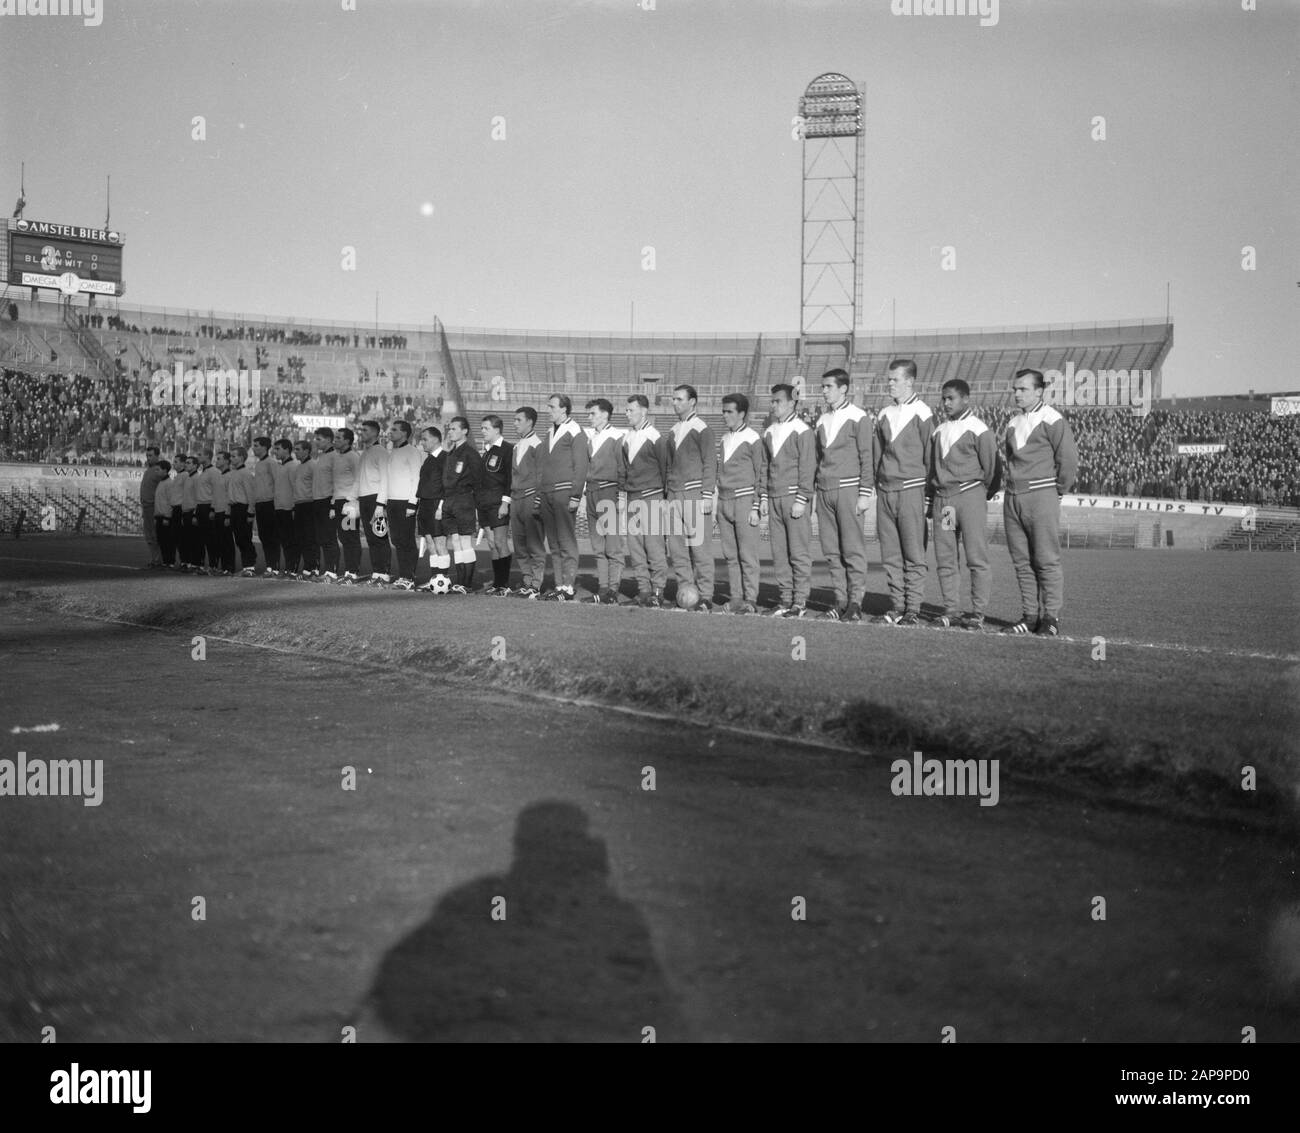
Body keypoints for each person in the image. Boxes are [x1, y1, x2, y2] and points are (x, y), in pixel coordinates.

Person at [1001, 368, 1079, 636]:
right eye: (1015, 389)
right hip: (1013, 497)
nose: (1017, 394)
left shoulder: (1053, 419)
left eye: (1022, 389)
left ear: (1039, 391)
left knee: (1046, 559)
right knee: (1022, 562)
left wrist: (1058, 491)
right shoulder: (1012, 423)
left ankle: (1051, 618)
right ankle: (1030, 615)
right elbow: (1010, 459)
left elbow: (1068, 459)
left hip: (1041, 495)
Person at [928, 379, 998, 630]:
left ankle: (978, 612)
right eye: (943, 398)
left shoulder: (978, 429)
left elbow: (992, 468)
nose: (946, 403)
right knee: (946, 556)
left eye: (951, 398)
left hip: (970, 497)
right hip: (944, 502)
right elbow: (931, 469)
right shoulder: (938, 430)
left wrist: (979, 495)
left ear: (965, 399)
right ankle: (951, 610)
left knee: (976, 557)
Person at [873, 360, 933, 626]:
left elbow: (931, 458)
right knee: (891, 556)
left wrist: (928, 495)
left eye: (895, 380)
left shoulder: (923, 412)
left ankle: (913, 609)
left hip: (911, 490)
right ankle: (897, 606)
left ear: (910, 382)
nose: (890, 384)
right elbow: (878, 453)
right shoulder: (884, 413)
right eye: (889, 379)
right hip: (886, 491)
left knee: (913, 554)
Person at [814, 370, 873, 622]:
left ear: (843, 389)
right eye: (823, 386)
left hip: (849, 489)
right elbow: (819, 459)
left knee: (852, 549)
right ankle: (840, 600)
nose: (824, 390)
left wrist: (864, 493)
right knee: (831, 551)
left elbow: (867, 457)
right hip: (825, 491)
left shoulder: (859, 417)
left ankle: (856, 602)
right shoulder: (821, 420)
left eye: (828, 386)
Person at [761, 384, 816, 618]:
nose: (773, 405)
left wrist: (802, 499)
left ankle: (800, 602)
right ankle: (785, 599)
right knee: (780, 553)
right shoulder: (769, 431)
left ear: (792, 403)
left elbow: (808, 467)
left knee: (798, 553)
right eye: (772, 401)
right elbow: (765, 466)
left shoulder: (803, 430)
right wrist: (764, 496)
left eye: (778, 401)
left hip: (794, 497)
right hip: (774, 497)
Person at [665, 384, 717, 610]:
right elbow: (668, 466)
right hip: (673, 495)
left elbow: (710, 462)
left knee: (700, 547)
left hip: (695, 493)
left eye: (679, 399)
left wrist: (707, 495)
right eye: (673, 399)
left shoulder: (702, 428)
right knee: (676, 549)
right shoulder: (673, 430)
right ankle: (686, 591)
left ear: (692, 401)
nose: (674, 403)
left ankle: (705, 595)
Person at [714, 394, 766, 614]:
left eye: (730, 412)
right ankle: (736, 597)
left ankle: (751, 599)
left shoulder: (753, 438)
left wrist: (756, 505)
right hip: (724, 501)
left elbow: (761, 472)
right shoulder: (725, 438)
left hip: (745, 500)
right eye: (724, 411)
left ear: (742, 414)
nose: (725, 415)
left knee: (747, 555)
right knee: (731, 555)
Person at [620, 394, 670, 608]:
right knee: (636, 548)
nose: (627, 413)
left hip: (652, 498)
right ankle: (643, 590)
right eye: (627, 410)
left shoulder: (655, 436)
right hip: (632, 498)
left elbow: (666, 468)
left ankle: (657, 591)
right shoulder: (626, 437)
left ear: (644, 411)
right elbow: (624, 469)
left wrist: (665, 499)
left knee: (654, 547)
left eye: (631, 410)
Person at [537, 394, 588, 601]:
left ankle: (568, 586)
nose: (548, 410)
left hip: (565, 491)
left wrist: (576, 494)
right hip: (548, 492)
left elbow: (581, 464)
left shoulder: (575, 430)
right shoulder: (549, 432)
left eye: (552, 407)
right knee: (554, 542)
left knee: (566, 540)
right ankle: (559, 584)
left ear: (564, 409)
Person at [583, 399, 624, 603]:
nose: (589, 417)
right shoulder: (590, 438)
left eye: (592, 413)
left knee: (613, 546)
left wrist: (621, 495)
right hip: (591, 493)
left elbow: (623, 468)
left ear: (605, 415)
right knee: (598, 546)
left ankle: (613, 591)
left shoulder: (617, 436)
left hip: (608, 491)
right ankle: (603, 588)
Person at [440, 416, 485, 594]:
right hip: (450, 500)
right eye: (449, 429)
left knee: (465, 541)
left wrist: (473, 501)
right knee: (456, 541)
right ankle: (459, 582)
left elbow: (479, 479)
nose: (450, 431)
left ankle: (466, 583)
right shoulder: (451, 452)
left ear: (464, 431)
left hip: (464, 500)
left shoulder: (471, 453)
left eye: (453, 428)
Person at [378, 420, 423, 590]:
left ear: (404, 433)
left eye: (394, 430)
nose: (390, 432)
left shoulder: (412, 452)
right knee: (396, 540)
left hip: (406, 502)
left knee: (406, 540)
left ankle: (408, 577)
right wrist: (381, 503)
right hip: (392, 502)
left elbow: (416, 479)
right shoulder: (392, 452)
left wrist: (412, 503)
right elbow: (387, 480)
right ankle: (404, 576)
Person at [507, 407, 545, 599]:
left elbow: (541, 475)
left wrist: (538, 500)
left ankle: (536, 585)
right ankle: (527, 582)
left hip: (531, 497)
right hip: (516, 499)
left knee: (534, 544)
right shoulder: (516, 446)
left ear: (529, 422)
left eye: (518, 420)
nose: (515, 423)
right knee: (519, 544)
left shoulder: (538, 445)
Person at [476, 415, 515, 595]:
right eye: (482, 428)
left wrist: (505, 502)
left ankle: (504, 584)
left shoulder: (508, 449)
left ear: (497, 429)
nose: (482, 431)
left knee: (500, 542)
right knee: (491, 543)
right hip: (484, 504)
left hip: (498, 503)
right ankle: (497, 583)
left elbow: (509, 478)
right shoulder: (487, 450)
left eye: (486, 428)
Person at [415, 426, 451, 592]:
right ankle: (434, 581)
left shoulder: (446, 458)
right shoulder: (428, 459)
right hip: (425, 504)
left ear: (436, 439)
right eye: (421, 439)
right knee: (430, 542)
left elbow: (447, 486)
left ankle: (443, 580)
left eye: (425, 439)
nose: (422, 442)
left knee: (440, 542)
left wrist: (441, 507)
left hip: (437, 504)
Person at [357, 419, 391, 584]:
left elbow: (386, 479)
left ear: (374, 433)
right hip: (364, 499)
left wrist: (380, 504)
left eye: (365, 430)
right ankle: (377, 572)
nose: (361, 433)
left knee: (380, 536)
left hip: (376, 499)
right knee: (371, 538)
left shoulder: (381, 452)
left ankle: (384, 573)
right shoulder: (365, 453)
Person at [332, 428, 363, 584]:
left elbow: (359, 479)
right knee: (343, 537)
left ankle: (353, 572)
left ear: (347, 441)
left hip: (349, 504)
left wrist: (350, 500)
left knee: (350, 537)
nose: (335, 440)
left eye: (338, 437)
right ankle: (349, 571)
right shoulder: (337, 457)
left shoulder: (353, 457)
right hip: (338, 502)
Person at [311, 427, 339, 582]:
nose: (316, 442)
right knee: (322, 538)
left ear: (329, 439)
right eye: (316, 439)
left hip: (328, 501)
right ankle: (327, 570)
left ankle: (332, 572)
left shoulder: (335, 456)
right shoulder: (321, 457)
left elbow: (337, 481)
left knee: (329, 538)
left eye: (319, 439)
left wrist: (333, 504)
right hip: (318, 501)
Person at [251, 436, 279, 576]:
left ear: (264, 447)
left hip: (270, 504)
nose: (253, 448)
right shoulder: (258, 464)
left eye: (256, 445)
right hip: (260, 504)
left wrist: (275, 503)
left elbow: (277, 483)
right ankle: (270, 566)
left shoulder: (271, 463)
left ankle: (274, 567)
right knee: (264, 536)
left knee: (271, 537)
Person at [228, 446, 258, 575]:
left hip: (243, 508)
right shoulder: (233, 472)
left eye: (234, 456)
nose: (231, 458)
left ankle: (249, 566)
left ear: (241, 457)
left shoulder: (245, 473)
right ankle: (247, 566)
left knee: (245, 538)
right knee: (239, 539)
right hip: (235, 508)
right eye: (231, 456)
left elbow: (251, 494)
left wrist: (250, 512)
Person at [291, 440, 317, 579]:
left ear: (307, 450)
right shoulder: (298, 467)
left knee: (310, 538)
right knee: (300, 538)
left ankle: (313, 568)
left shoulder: (313, 465)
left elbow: (316, 486)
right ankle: (307, 567)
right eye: (295, 449)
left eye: (298, 449)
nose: (296, 452)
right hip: (299, 505)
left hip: (309, 504)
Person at [139, 446, 166, 568]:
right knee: (149, 535)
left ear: (157, 456)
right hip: (146, 506)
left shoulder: (158, 471)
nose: (148, 458)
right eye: (147, 456)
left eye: (150, 456)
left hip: (153, 507)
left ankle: (159, 560)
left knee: (154, 535)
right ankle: (155, 559)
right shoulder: (148, 470)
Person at [211, 450, 236, 575]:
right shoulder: (220, 476)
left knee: (227, 541)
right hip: (217, 512)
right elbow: (216, 496)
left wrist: (228, 514)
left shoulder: (230, 476)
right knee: (219, 541)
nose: (217, 461)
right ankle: (223, 567)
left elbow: (230, 497)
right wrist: (213, 509)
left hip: (225, 513)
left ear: (226, 461)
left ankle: (229, 567)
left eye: (219, 459)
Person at [151, 460, 175, 568]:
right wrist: (156, 516)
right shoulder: (161, 482)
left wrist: (167, 517)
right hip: (160, 516)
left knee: (168, 541)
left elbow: (171, 501)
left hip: (166, 517)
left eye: (158, 470)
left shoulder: (169, 483)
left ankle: (170, 562)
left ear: (165, 470)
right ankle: (165, 562)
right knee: (161, 540)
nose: (156, 472)